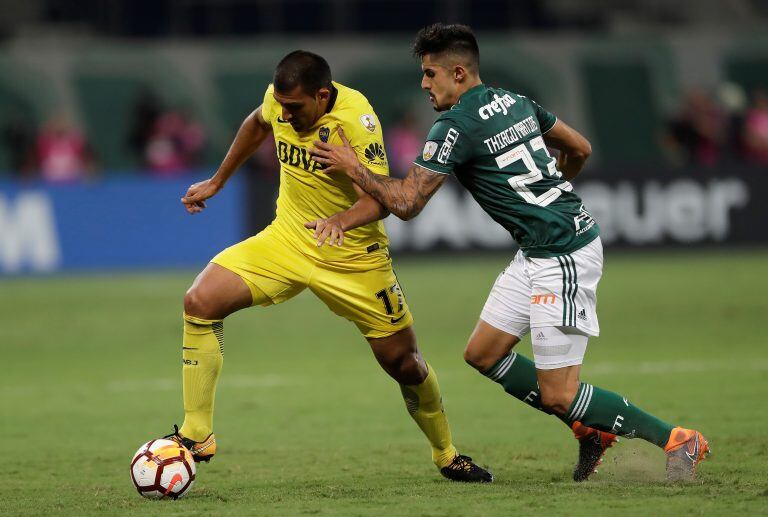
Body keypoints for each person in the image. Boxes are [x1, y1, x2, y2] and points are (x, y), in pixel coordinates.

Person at [310, 24, 709, 482]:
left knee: (558, 392)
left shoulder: (455, 125)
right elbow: (579, 147)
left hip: (564, 254)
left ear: (458, 73)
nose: (424, 84)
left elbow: (406, 204)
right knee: (483, 353)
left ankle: (679, 439)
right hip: (540, 248)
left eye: (429, 74)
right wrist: (554, 190)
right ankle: (589, 431)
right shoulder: (517, 102)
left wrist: (351, 166)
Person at [165, 50, 492, 483]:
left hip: (354, 256)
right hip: (288, 239)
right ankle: (197, 432)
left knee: (405, 364)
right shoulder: (280, 102)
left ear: (322, 96)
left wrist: (341, 219)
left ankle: (447, 454)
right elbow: (257, 122)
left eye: (295, 107)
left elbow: (384, 200)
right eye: (281, 104)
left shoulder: (357, 122)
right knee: (200, 302)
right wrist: (218, 180)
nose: (285, 113)